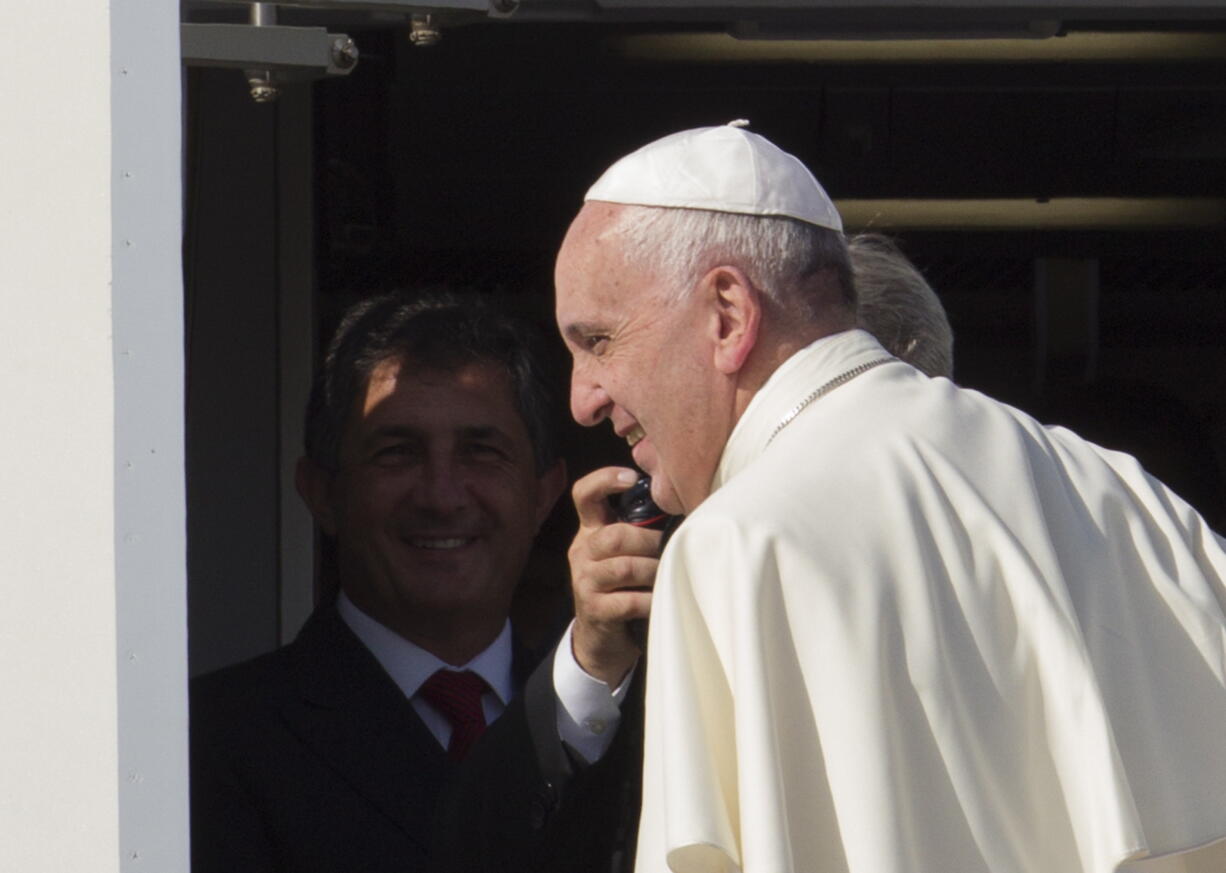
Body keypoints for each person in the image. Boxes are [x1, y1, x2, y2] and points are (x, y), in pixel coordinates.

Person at [546, 123, 1226, 873]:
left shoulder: (742, 543)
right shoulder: (1126, 496)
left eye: (599, 341)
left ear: (728, 316)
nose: (583, 399)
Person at [436, 227, 960, 873]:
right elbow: (493, 841)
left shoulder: (1002, 581)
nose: (590, 401)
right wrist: (595, 658)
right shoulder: (683, 576)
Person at [190, 290, 567, 873]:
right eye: (397, 453)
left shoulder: (613, 725)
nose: (442, 497)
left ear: (543, 494)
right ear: (321, 494)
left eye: (481, 451)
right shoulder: (210, 742)